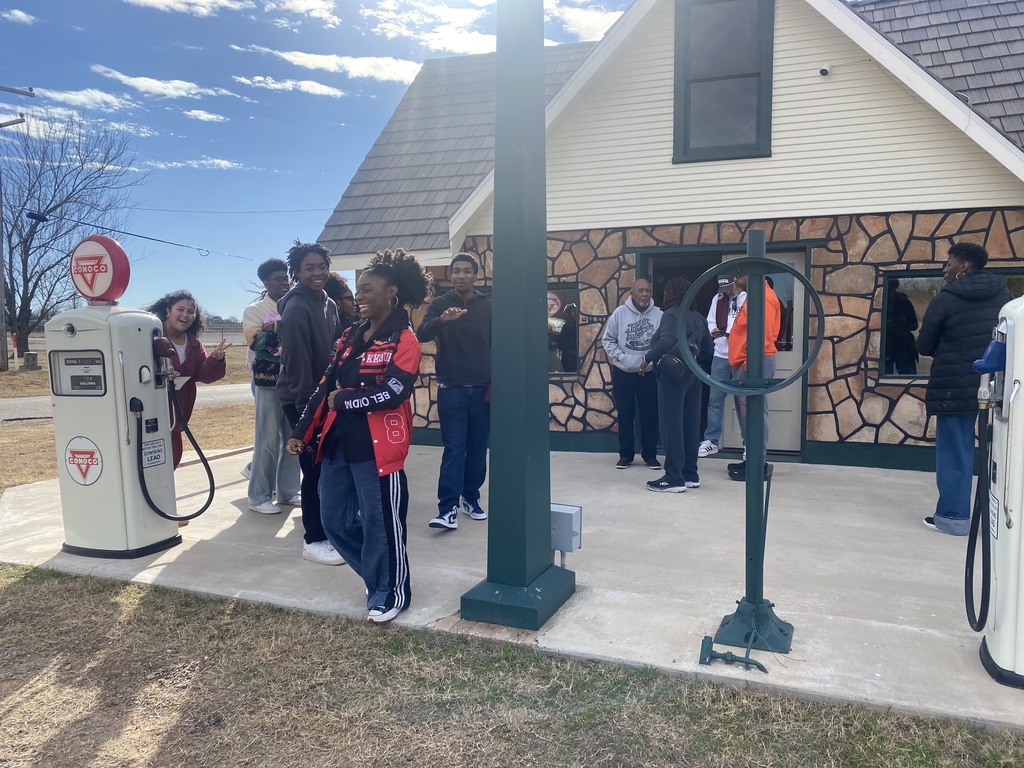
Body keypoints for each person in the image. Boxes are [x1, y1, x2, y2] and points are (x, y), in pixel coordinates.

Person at [288, 248, 430, 624]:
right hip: (337, 445)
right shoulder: (350, 335)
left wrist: (345, 399)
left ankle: (392, 592)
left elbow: (394, 391)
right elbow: (324, 387)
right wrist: (302, 430)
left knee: (382, 523)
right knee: (333, 520)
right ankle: (375, 574)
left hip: (377, 448)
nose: (359, 295)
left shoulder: (404, 339)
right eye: (358, 289)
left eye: (368, 289)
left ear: (391, 293)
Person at [917, 242, 1012, 536]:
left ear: (964, 267)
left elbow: (924, 345)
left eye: (949, 264)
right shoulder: (1006, 297)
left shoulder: (947, 297)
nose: (945, 270)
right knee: (1002, 453)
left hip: (955, 386)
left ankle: (953, 518)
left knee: (955, 451)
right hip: (997, 386)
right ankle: (1002, 522)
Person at [276, 241, 343, 566]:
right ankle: (313, 540)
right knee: (313, 469)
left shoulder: (327, 303)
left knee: (326, 467)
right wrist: (308, 416)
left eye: (321, 266)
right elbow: (297, 365)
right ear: (297, 273)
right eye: (308, 268)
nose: (317, 272)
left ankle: (330, 530)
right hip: (302, 401)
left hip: (323, 399)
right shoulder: (296, 309)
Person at [417, 252, 492, 531]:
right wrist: (442, 320)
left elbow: (497, 345)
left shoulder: (488, 306)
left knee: (477, 450)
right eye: (456, 271)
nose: (461, 275)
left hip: (482, 390)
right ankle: (447, 508)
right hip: (452, 390)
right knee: (453, 449)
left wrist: (495, 382)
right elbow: (421, 334)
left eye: (466, 271)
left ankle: (470, 498)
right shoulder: (439, 304)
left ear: (475, 275)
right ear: (451, 276)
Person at [641, 277, 714, 492]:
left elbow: (665, 341)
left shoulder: (671, 314)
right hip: (694, 376)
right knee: (691, 425)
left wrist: (646, 358)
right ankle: (690, 474)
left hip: (673, 378)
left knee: (671, 425)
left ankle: (673, 477)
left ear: (671, 293)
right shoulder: (699, 318)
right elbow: (709, 350)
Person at [243, 258, 301, 515]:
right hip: (267, 383)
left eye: (286, 278)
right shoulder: (254, 309)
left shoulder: (295, 304)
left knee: (292, 437)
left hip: (295, 381)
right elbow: (257, 342)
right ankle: (258, 496)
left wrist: (274, 328)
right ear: (266, 283)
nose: (284, 283)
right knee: (266, 439)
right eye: (278, 279)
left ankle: (287, 491)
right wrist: (280, 329)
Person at [147, 290, 229, 470]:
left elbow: (205, 375)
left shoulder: (193, 344)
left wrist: (215, 359)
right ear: (168, 310)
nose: (185, 315)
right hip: (150, 413)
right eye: (180, 309)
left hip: (177, 416)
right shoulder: (149, 336)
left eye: (190, 311)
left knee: (171, 461)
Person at [601, 277, 663, 470]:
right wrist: (622, 359)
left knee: (650, 415)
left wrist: (652, 360)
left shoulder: (659, 315)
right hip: (623, 373)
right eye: (640, 291)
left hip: (649, 374)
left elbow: (664, 342)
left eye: (647, 291)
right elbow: (608, 340)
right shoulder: (619, 314)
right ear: (632, 293)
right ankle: (625, 455)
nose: (644, 294)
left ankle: (650, 455)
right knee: (626, 415)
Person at [726, 273, 781, 481]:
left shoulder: (764, 297)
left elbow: (764, 336)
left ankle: (757, 464)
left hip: (752, 364)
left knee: (754, 414)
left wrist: (749, 368)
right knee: (746, 414)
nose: (736, 276)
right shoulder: (755, 295)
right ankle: (751, 458)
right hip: (745, 363)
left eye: (741, 273)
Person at [698, 276, 746, 458]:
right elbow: (710, 320)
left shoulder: (748, 298)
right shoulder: (717, 299)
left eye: (728, 287)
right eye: (722, 288)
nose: (725, 291)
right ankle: (711, 440)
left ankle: (748, 443)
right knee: (715, 399)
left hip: (741, 355)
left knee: (744, 402)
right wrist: (714, 332)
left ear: (736, 281)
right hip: (720, 355)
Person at [885, 279, 919, 375]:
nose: (890, 289)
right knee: (883, 381)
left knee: (908, 378)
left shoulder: (903, 302)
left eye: (892, 286)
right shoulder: (879, 301)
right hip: (885, 346)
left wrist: (901, 323)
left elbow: (914, 325)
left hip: (904, 345)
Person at [325, 272, 359, 338]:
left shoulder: (325, 323)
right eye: (349, 299)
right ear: (336, 302)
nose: (354, 303)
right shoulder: (347, 328)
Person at [556, 303, 579, 373]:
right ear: (568, 313)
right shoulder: (567, 327)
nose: (575, 313)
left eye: (576, 311)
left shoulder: (580, 326)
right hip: (569, 357)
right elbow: (561, 344)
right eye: (573, 311)